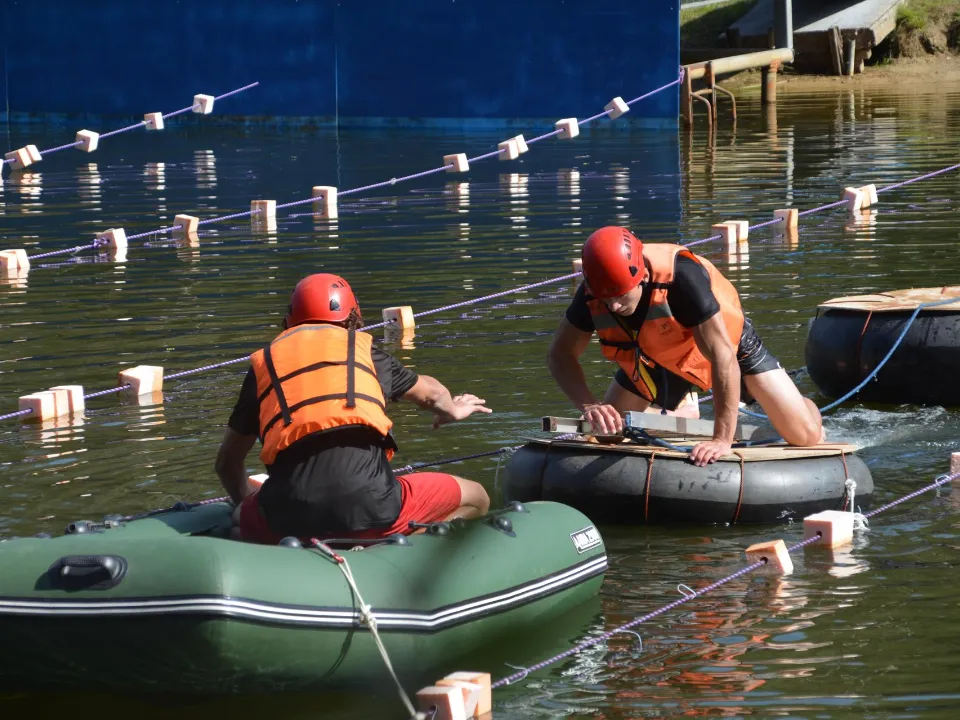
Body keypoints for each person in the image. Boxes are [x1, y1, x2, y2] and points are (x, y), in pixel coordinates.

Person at [215, 273, 492, 544]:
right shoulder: (368, 356)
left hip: (287, 519)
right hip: (375, 510)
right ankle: (397, 545)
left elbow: (227, 465)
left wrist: (252, 509)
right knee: (477, 497)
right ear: (353, 318)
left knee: (241, 521)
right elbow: (431, 394)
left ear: (288, 320)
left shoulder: (264, 369)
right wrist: (452, 411)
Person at [547, 226, 823, 467]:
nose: (614, 306)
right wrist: (590, 405)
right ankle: (680, 406)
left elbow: (723, 357)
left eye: (620, 296)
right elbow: (560, 356)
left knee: (806, 436)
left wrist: (721, 439)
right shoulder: (593, 292)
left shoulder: (681, 279)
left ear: (641, 277)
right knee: (607, 434)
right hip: (654, 356)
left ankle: (801, 404)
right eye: (605, 299)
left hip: (731, 348)